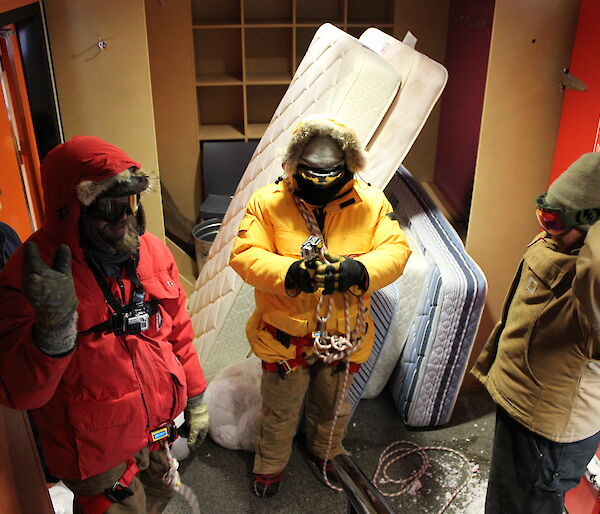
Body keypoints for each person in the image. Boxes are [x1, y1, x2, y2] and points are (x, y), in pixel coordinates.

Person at [0, 136, 209, 513]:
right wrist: (52, 332)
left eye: (127, 202)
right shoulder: (32, 274)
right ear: (71, 210)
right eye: (105, 206)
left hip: (155, 428)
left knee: (161, 493)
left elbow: (178, 328)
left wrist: (195, 396)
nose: (122, 217)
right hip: (95, 451)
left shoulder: (152, 252)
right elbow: (19, 392)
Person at [229, 116, 412, 497]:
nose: (322, 179)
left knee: (333, 407)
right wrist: (291, 273)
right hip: (285, 336)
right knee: (279, 409)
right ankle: (270, 464)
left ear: (349, 166)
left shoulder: (371, 202)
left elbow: (397, 251)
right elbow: (245, 254)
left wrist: (358, 270)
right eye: (312, 171)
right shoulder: (268, 202)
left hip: (343, 334)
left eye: (332, 171)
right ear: (294, 165)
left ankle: (327, 451)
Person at [472, 152, 600, 513]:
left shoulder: (591, 283)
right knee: (507, 501)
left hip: (548, 430)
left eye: (558, 222)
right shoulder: (562, 244)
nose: (547, 229)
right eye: (545, 215)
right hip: (523, 406)